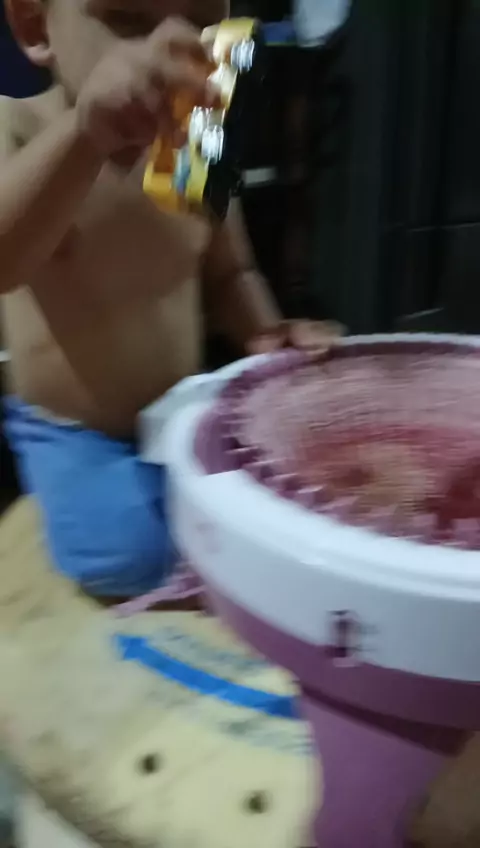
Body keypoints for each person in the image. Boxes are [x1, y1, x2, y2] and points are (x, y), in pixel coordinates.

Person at [0, 0, 340, 599]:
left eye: (202, 22)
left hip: (184, 412)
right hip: (74, 432)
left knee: (311, 478)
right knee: (128, 550)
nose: (173, 44)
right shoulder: (18, 127)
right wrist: (85, 133)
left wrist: (269, 341)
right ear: (34, 26)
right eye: (128, 20)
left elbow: (231, 271)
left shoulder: (194, 142)